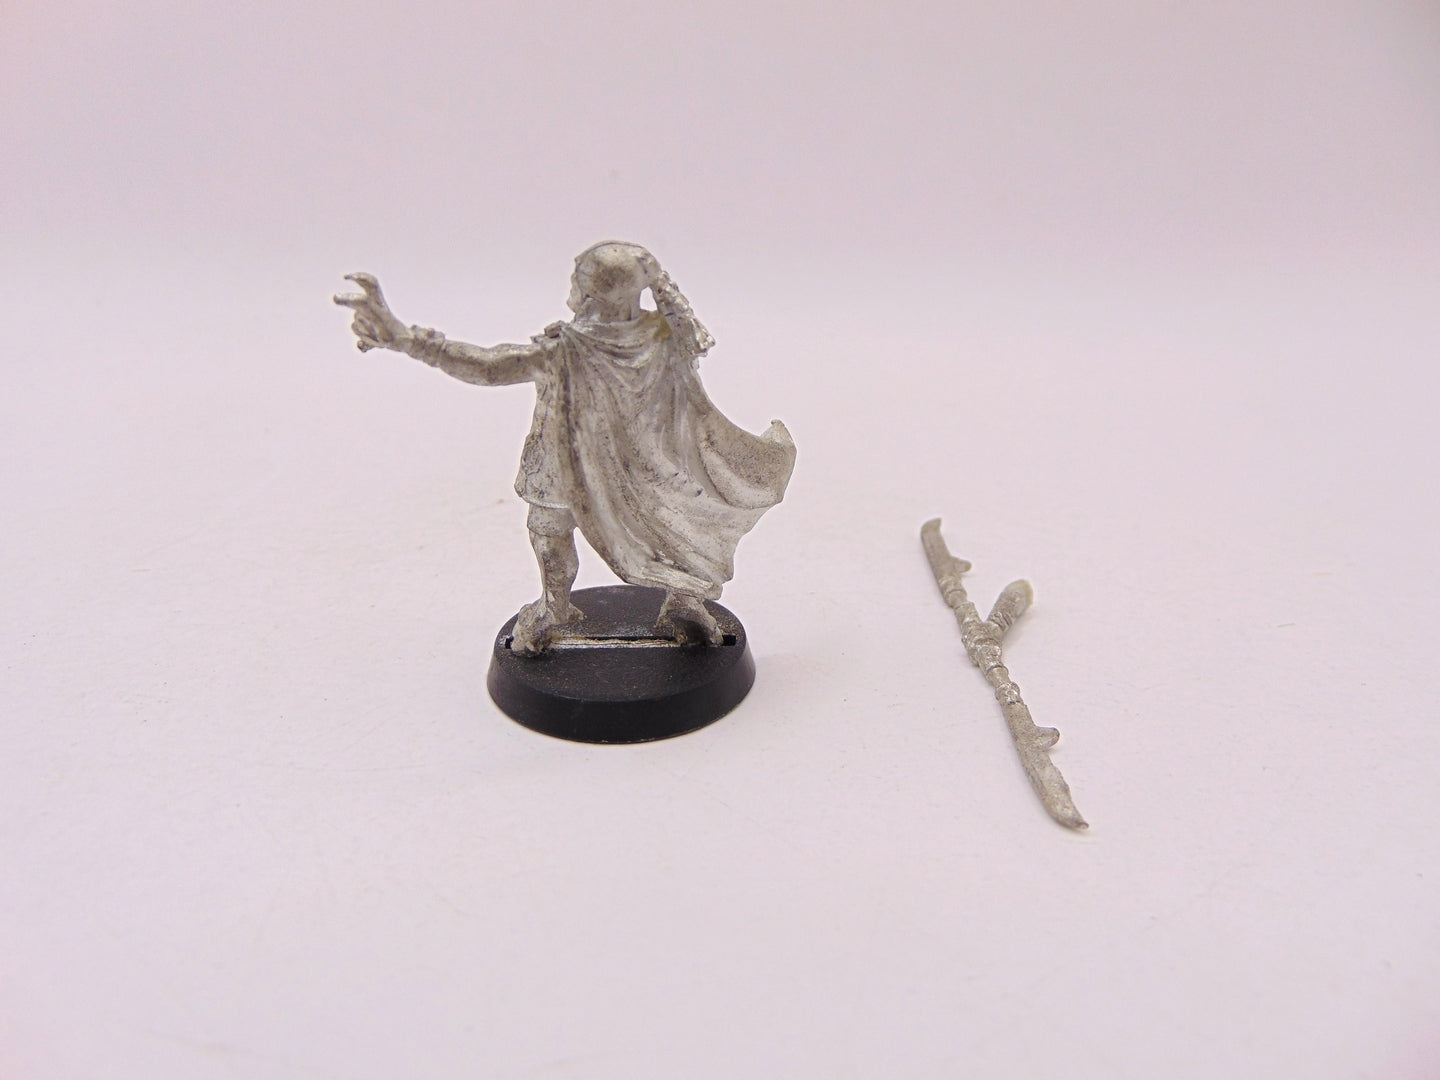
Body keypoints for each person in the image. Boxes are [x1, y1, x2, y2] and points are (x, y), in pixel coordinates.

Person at [335, 242, 796, 654]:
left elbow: (492, 366)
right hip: (649, 468)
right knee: (671, 531)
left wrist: (407, 339)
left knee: (550, 528)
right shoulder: (667, 335)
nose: (571, 288)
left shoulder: (569, 347)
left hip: (569, 460)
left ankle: (557, 606)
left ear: (590, 293)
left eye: (577, 279)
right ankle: (679, 601)